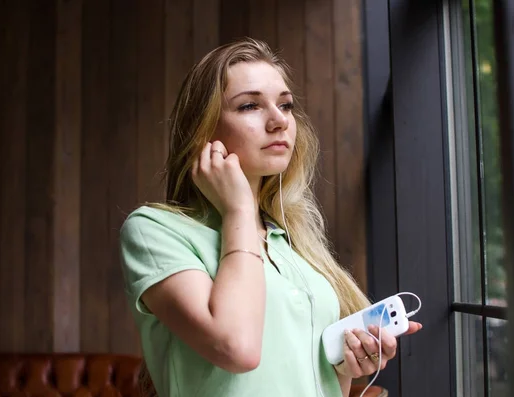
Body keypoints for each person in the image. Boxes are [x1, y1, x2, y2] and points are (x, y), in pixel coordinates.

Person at [119, 38, 422, 397]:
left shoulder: (294, 245)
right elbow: (238, 349)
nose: (279, 121)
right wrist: (240, 209)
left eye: (286, 105)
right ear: (204, 129)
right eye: (249, 105)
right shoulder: (155, 231)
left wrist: (347, 364)